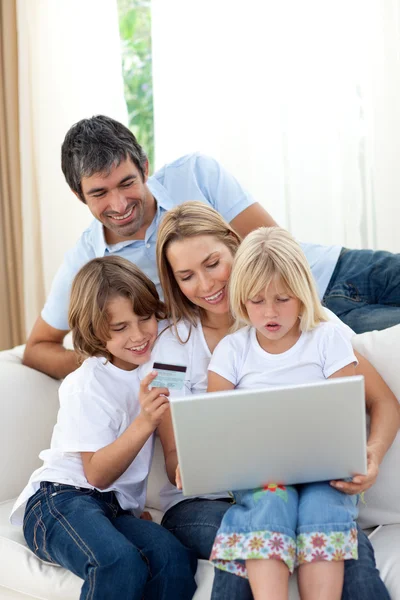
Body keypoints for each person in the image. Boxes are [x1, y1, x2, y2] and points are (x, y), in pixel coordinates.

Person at [23, 116, 400, 380]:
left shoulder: (195, 174)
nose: (119, 204)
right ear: (79, 195)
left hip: (334, 268)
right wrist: (118, 358)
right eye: (100, 193)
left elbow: (272, 245)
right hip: (306, 320)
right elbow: (38, 347)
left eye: (127, 183)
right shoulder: (86, 264)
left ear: (144, 167)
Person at [152, 201, 399, 600]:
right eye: (186, 276)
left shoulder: (313, 325)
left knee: (329, 532)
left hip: (311, 484)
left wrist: (369, 454)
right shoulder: (171, 347)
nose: (206, 284)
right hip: (208, 502)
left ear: (236, 248)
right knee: (257, 527)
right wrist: (192, 463)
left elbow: (376, 401)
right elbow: (173, 455)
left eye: (213, 263)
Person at [10, 256, 197, 600]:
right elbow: (95, 474)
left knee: (173, 557)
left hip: (111, 508)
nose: (139, 335)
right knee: (118, 562)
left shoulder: (163, 364)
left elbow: (174, 436)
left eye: (145, 318)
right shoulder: (86, 383)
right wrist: (144, 421)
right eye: (120, 327)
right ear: (95, 332)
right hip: (58, 502)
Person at [206, 226, 362, 600]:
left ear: (303, 295)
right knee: (270, 503)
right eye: (257, 301)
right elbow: (214, 428)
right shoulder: (232, 351)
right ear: (242, 301)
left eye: (282, 299)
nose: (270, 312)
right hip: (260, 476)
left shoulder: (327, 339)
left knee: (324, 504)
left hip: (326, 470)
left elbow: (349, 417)